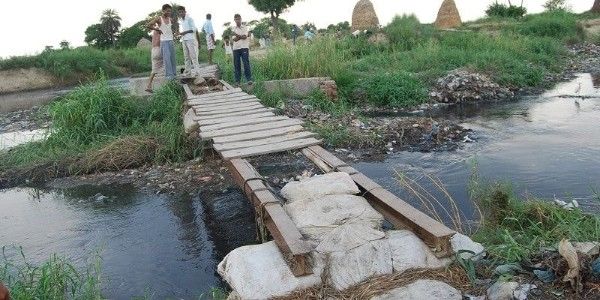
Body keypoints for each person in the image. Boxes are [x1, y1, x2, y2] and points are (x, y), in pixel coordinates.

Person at [147, 4, 177, 80]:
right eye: (167, 11)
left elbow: (174, 26)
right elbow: (149, 25)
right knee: (167, 60)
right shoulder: (159, 19)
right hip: (164, 42)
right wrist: (157, 29)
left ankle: (174, 75)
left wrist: (175, 31)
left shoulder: (170, 19)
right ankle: (169, 77)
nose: (169, 12)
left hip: (171, 41)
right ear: (163, 11)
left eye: (170, 11)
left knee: (172, 59)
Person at [177, 6, 200, 76]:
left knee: (193, 56)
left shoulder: (189, 19)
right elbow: (183, 31)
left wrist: (184, 32)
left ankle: (197, 72)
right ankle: (188, 72)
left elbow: (194, 29)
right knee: (186, 57)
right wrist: (180, 34)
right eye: (179, 12)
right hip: (184, 39)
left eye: (182, 12)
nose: (181, 13)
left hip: (190, 39)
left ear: (185, 12)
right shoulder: (181, 20)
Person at [232, 14, 252, 86]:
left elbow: (244, 37)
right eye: (236, 19)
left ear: (241, 19)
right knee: (237, 65)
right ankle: (237, 81)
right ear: (234, 20)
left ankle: (249, 79)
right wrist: (241, 36)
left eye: (238, 19)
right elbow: (235, 39)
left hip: (244, 47)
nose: (237, 20)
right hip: (236, 49)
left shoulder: (245, 27)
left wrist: (237, 35)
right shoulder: (233, 28)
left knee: (246, 63)